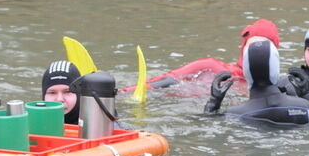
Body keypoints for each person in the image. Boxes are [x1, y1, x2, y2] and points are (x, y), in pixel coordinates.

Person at [119, 19, 281, 95]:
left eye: (265, 46)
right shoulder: (211, 67)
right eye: (253, 46)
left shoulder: (279, 87)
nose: (258, 52)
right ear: (243, 47)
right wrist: (122, 93)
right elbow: (168, 79)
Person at [203, 38, 309, 128]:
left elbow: (207, 127)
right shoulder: (303, 107)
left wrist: (213, 103)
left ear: (246, 71)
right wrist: (307, 96)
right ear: (276, 68)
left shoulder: (234, 114)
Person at [41, 60, 81, 125]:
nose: (59, 99)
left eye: (67, 92)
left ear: (79, 95)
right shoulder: (29, 124)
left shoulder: (96, 125)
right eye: (52, 93)